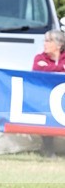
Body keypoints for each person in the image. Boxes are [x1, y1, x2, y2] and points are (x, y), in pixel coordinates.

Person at [32, 29, 65, 157]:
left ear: (59, 44)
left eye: (49, 41)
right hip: (45, 99)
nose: (45, 44)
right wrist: (61, 68)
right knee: (46, 112)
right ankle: (48, 149)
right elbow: (37, 69)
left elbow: (45, 69)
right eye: (45, 41)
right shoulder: (39, 58)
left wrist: (50, 69)